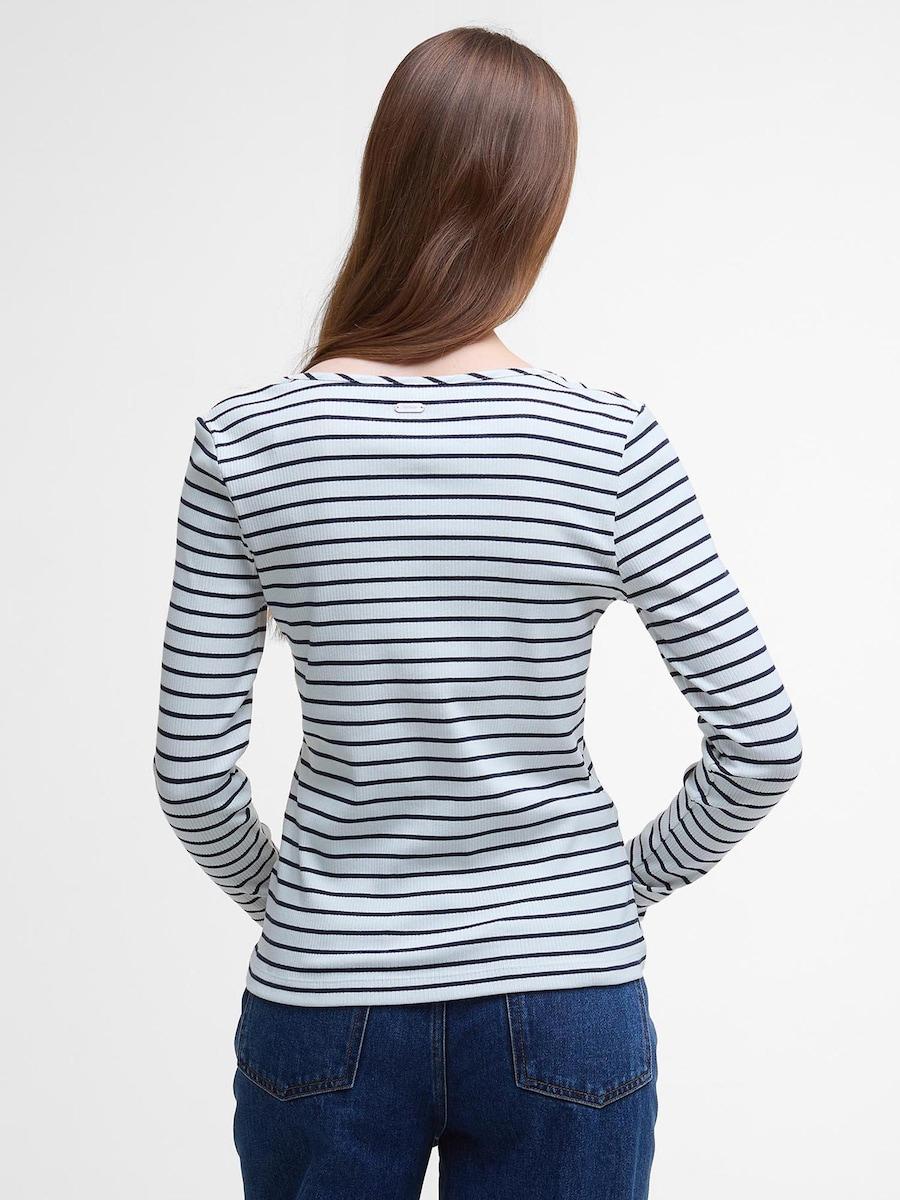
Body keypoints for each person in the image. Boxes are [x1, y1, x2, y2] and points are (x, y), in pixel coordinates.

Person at [152, 25, 802, 1200]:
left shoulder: (246, 440)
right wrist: (605, 893)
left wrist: (306, 909)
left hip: (325, 1001)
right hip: (566, 999)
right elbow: (763, 744)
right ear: (535, 209)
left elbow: (192, 778)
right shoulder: (607, 444)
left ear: (384, 177)